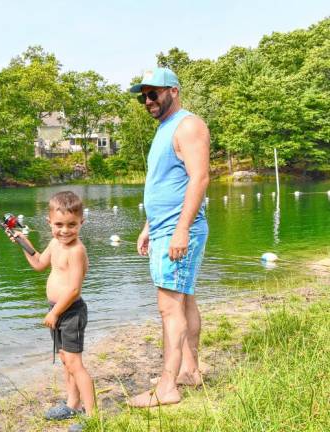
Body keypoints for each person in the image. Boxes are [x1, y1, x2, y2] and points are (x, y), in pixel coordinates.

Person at [127, 67, 210, 407]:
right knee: (184, 299)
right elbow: (165, 182)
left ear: (173, 90)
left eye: (154, 93)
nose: (147, 101)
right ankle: (189, 370)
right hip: (164, 227)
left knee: (169, 307)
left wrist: (181, 229)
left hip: (179, 228)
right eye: (143, 96)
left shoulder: (188, 125)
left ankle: (166, 388)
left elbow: (199, 179)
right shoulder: (164, 128)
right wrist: (150, 224)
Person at [10, 191, 95, 430]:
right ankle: (72, 405)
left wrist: (56, 312)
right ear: (49, 223)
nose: (65, 231)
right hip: (56, 311)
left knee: (75, 363)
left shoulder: (76, 250)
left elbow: (75, 289)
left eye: (71, 225)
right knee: (66, 360)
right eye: (59, 225)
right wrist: (22, 242)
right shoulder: (54, 243)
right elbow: (38, 263)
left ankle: (92, 416)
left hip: (70, 312)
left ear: (81, 223)